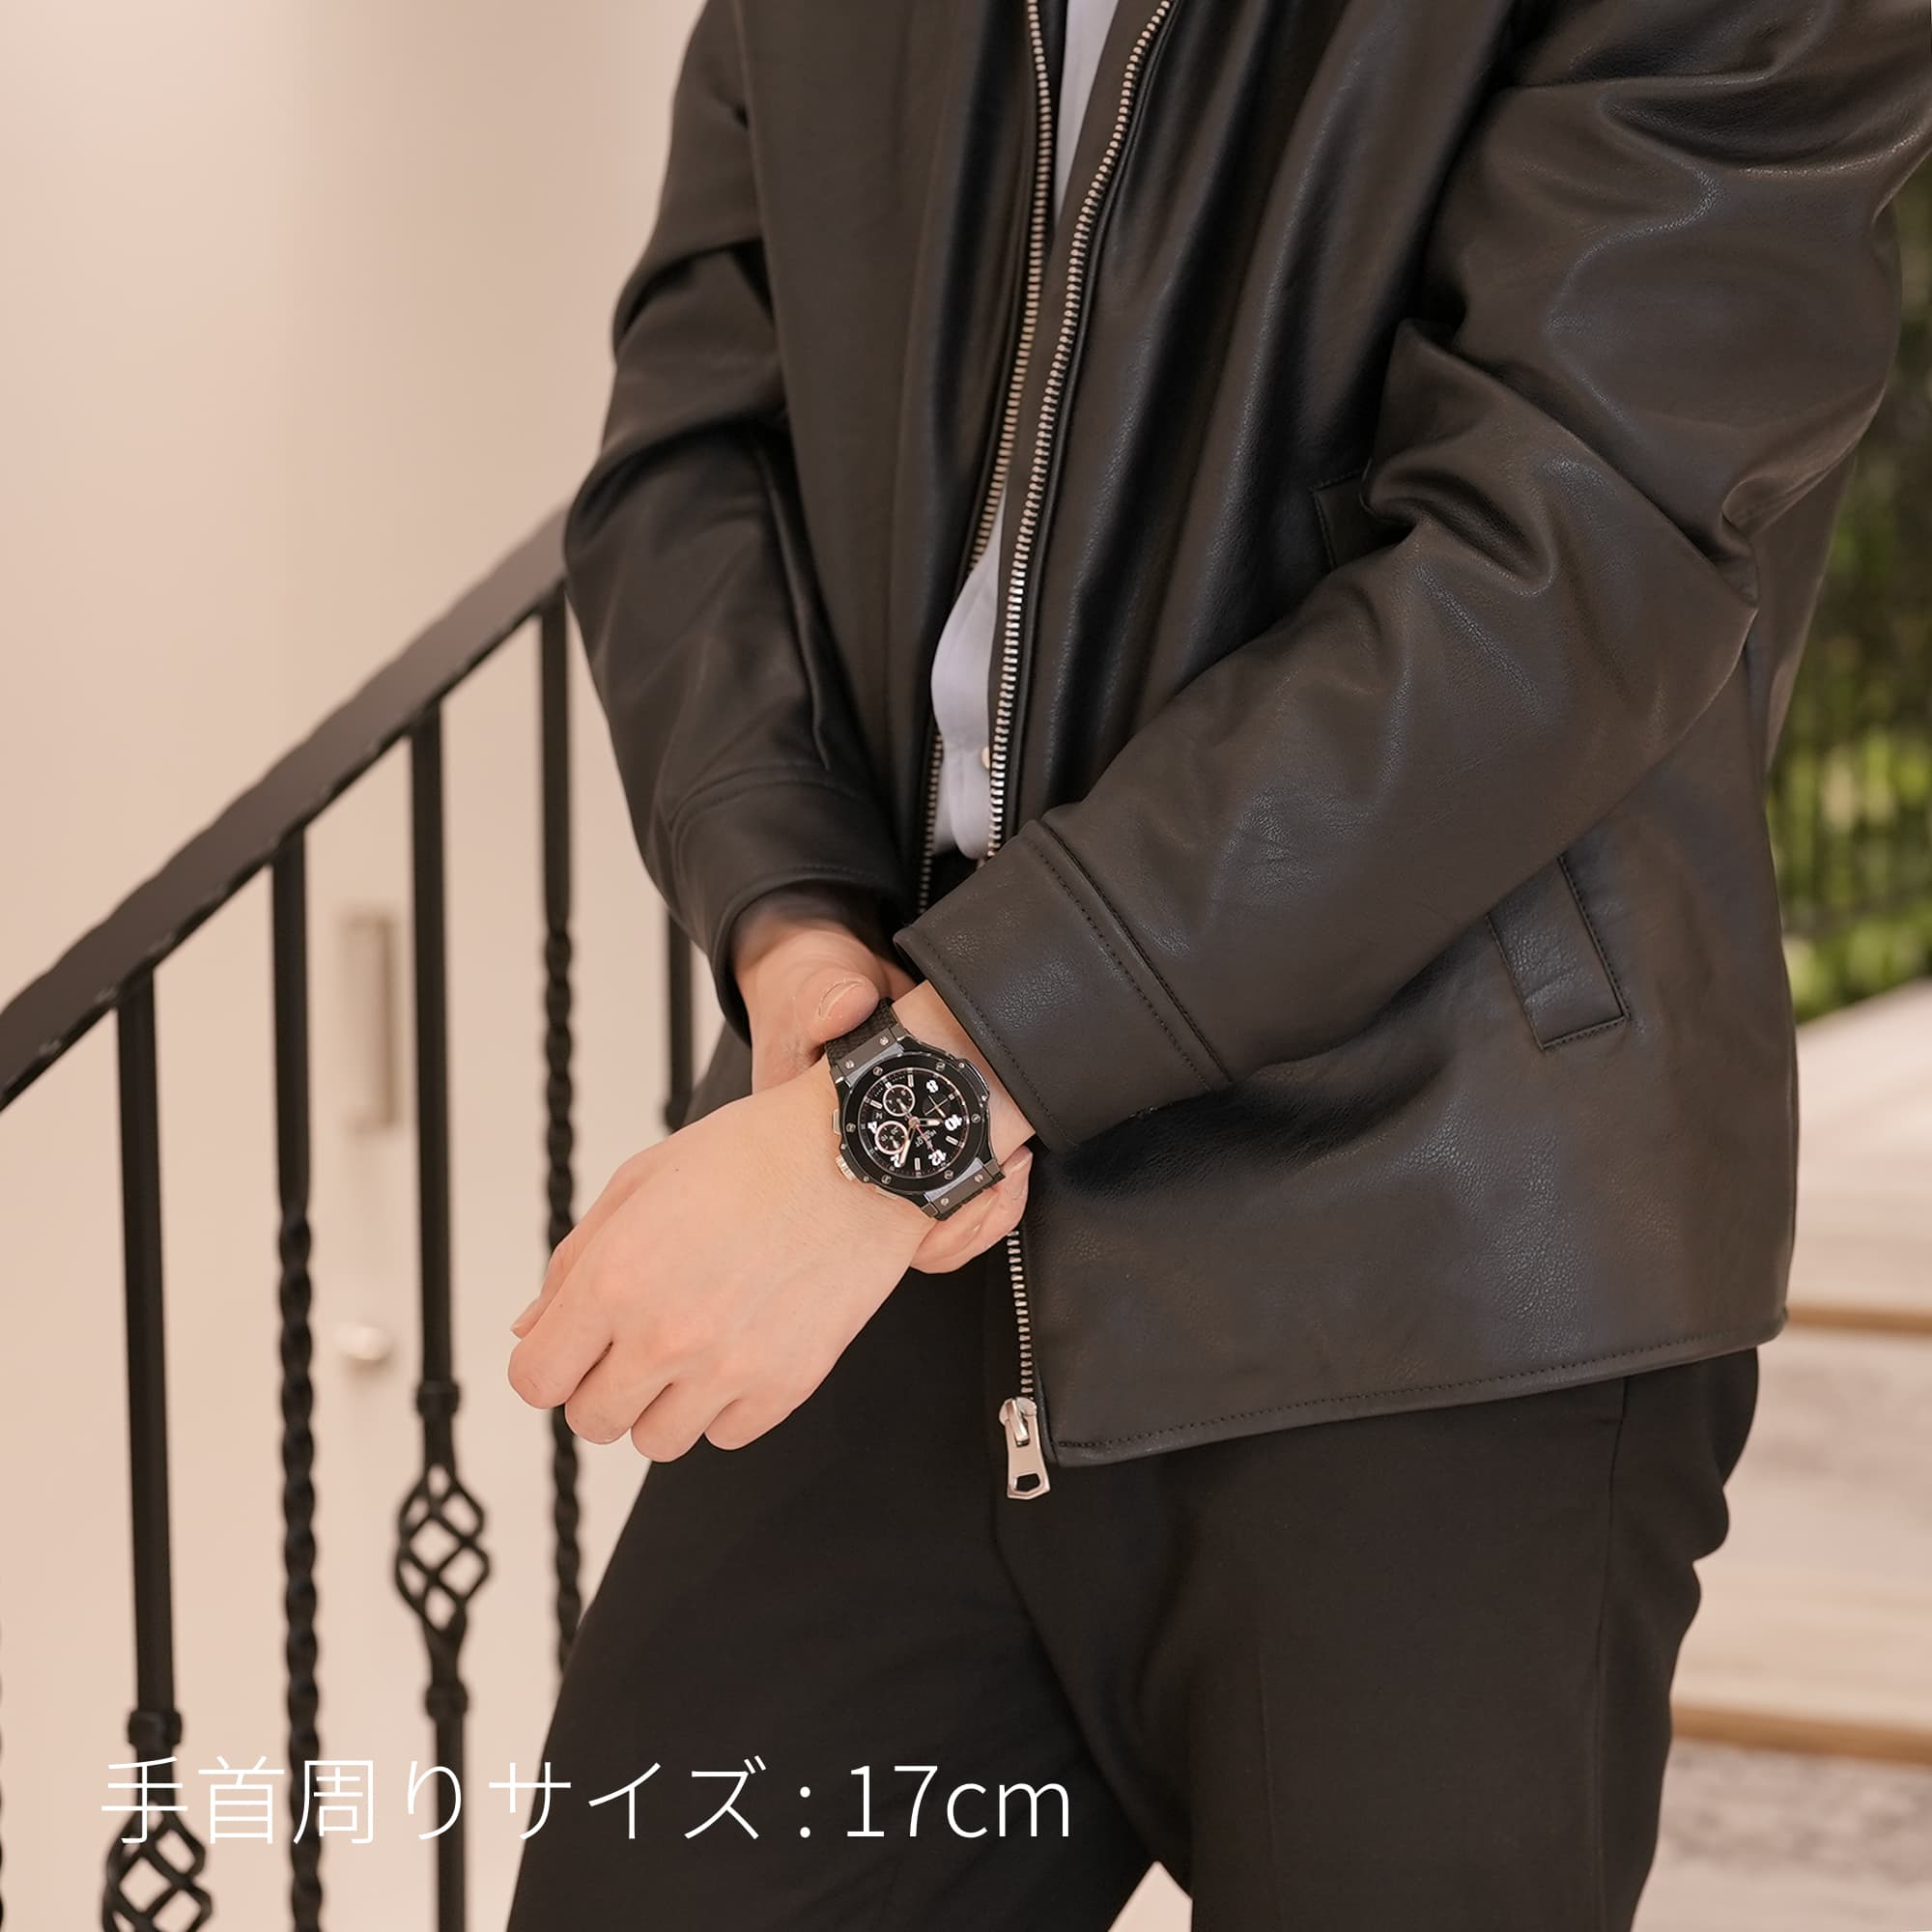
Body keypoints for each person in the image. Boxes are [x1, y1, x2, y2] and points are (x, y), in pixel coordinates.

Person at [504, 1, 1932, 1923]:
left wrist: (913, 1105)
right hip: (901, 1216)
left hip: (1438, 1245)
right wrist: (793, 937)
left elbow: (1570, 552)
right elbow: (694, 444)